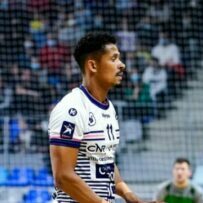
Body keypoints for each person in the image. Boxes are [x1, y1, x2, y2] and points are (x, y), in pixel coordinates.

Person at [48, 32, 163, 203]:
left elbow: (104, 158)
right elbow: (63, 177)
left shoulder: (109, 108)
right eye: (114, 59)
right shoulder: (71, 109)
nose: (122, 65)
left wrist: (129, 195)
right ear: (93, 66)